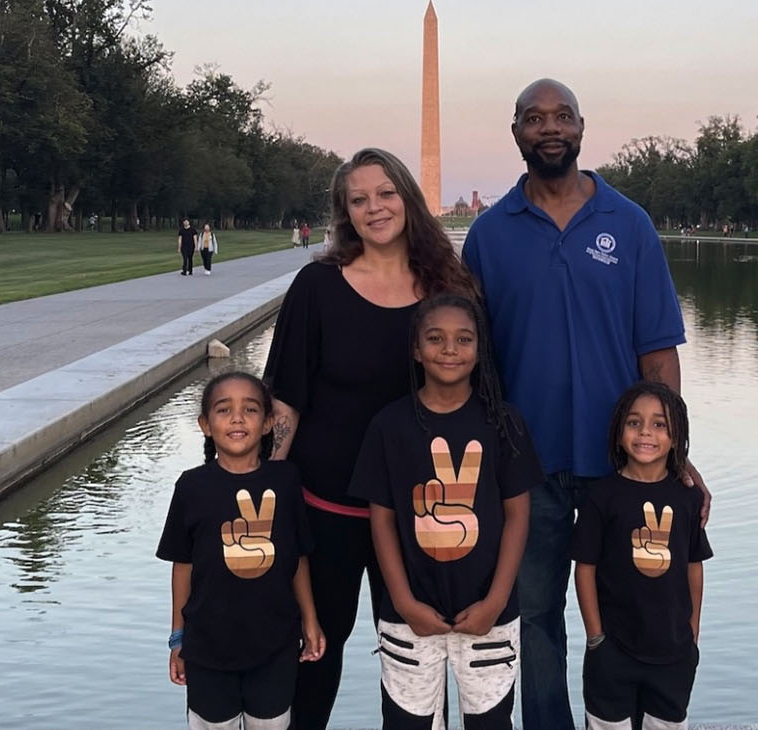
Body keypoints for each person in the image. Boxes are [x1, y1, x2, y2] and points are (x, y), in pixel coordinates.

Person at [459, 78, 710, 730]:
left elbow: (658, 355)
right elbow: (466, 357)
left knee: (632, 602)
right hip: (526, 464)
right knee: (536, 614)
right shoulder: (488, 235)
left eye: (561, 116)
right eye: (534, 118)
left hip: (618, 466)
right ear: (515, 131)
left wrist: (674, 456)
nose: (550, 128)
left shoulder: (628, 224)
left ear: (581, 128)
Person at [262, 147, 478, 730]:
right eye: (359, 199)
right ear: (345, 213)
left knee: (414, 668)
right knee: (312, 656)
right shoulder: (317, 287)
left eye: (385, 193)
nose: (374, 208)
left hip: (422, 515)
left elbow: (476, 401)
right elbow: (285, 401)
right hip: (324, 507)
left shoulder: (449, 291)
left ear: (407, 197)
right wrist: (265, 495)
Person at [349, 293, 543, 730]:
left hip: (489, 615)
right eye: (435, 339)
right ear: (417, 350)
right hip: (409, 614)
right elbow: (381, 519)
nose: (450, 350)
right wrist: (402, 600)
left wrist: (496, 600)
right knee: (408, 722)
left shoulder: (504, 423)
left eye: (463, 339)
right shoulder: (389, 426)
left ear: (479, 350)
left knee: (491, 722)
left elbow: (518, 516)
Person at [155, 371, 327, 730]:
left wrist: (310, 619)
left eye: (249, 409)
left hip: (275, 644)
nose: (236, 418)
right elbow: (182, 566)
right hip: (206, 647)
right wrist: (177, 637)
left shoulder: (286, 480)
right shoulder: (192, 487)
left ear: (267, 424)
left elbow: (297, 557)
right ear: (205, 424)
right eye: (223, 410)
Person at [571, 381, 712, 730]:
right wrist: (595, 638)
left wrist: (691, 635)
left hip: (673, 651)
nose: (645, 432)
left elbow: (694, 568)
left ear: (677, 437)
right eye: (634, 423)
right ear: (619, 433)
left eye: (659, 424)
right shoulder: (601, 497)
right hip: (613, 650)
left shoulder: (688, 499)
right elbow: (584, 569)